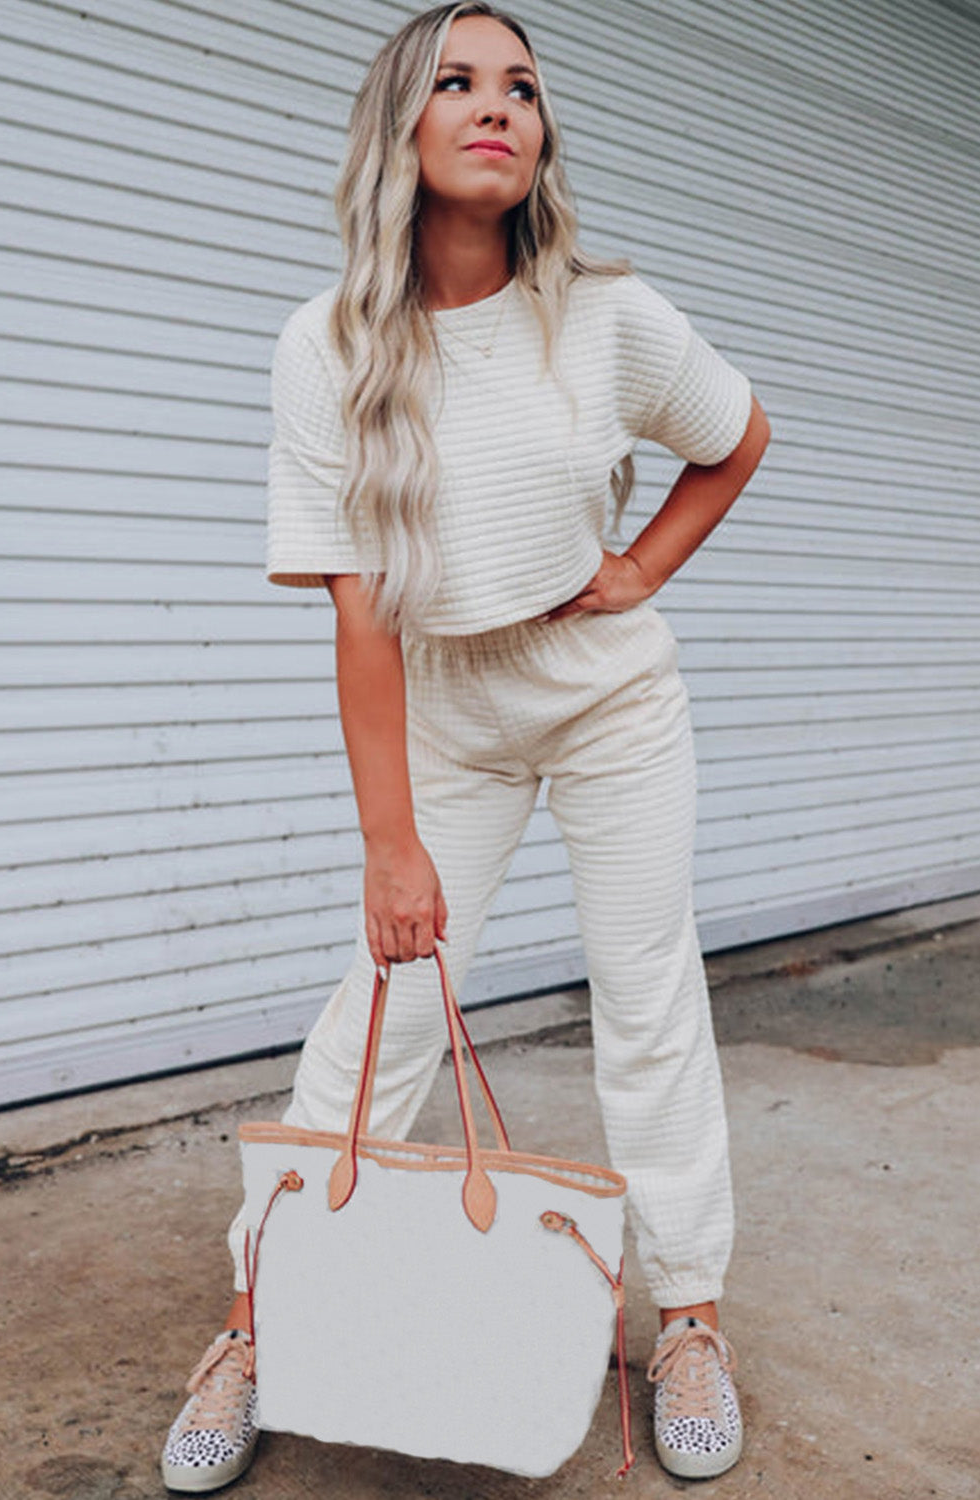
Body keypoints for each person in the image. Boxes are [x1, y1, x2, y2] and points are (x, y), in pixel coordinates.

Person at [160, 2, 771, 1490]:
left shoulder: (608, 311)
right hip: (444, 708)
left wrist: (633, 574)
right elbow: (359, 615)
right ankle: (257, 1317)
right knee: (381, 1014)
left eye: (520, 86)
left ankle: (686, 1312)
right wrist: (391, 844)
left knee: (644, 998)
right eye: (455, 81)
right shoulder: (324, 347)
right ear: (402, 128)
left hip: (610, 695)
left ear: (539, 133)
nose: (494, 105)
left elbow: (734, 434)